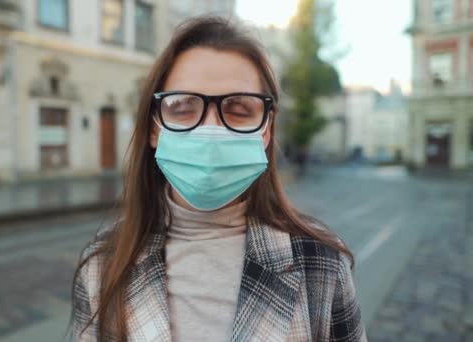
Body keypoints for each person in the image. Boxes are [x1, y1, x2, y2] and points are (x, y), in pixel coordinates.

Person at [67, 15, 367, 342]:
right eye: (183, 107)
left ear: (265, 130)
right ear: (154, 128)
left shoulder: (321, 263)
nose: (211, 129)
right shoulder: (102, 264)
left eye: (239, 109)